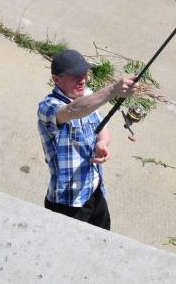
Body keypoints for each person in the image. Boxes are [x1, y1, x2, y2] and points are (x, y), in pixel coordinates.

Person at [37, 49, 137, 230]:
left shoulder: (88, 95)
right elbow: (73, 111)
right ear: (56, 79)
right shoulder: (48, 107)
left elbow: (101, 127)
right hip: (68, 202)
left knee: (103, 238)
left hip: (95, 190)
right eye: (75, 76)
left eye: (84, 73)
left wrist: (102, 143)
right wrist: (114, 89)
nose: (82, 79)